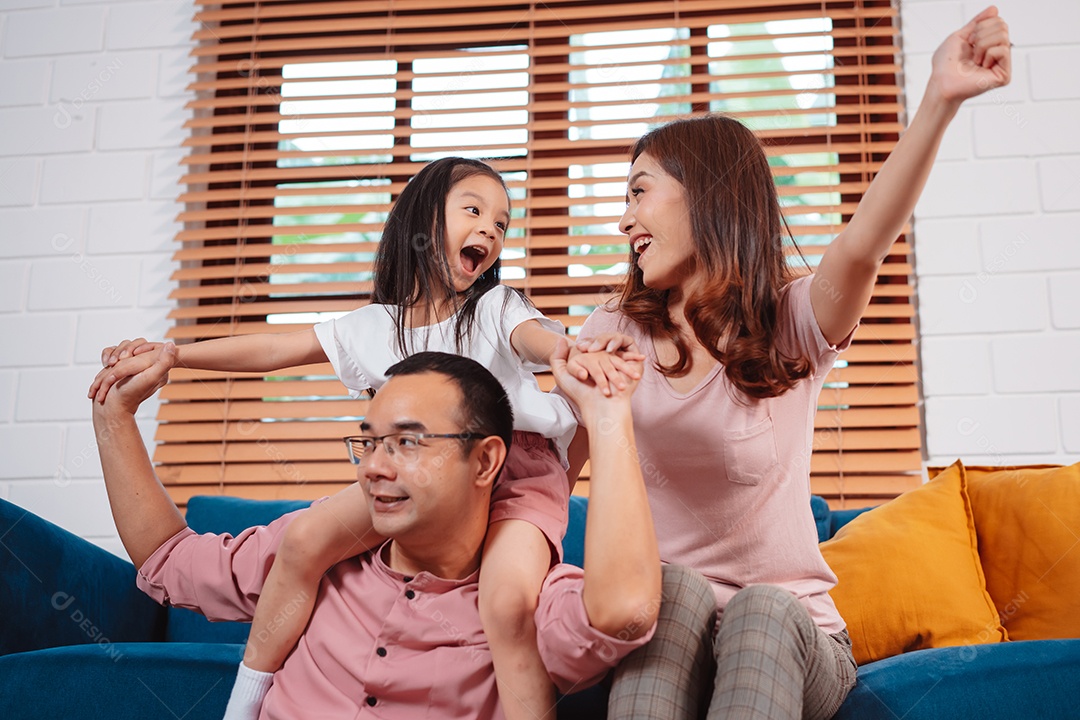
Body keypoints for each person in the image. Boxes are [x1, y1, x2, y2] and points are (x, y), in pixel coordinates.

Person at [561, 7, 1012, 719]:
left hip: (795, 639)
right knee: (671, 591)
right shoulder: (613, 333)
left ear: (706, 196)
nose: (624, 219)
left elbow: (862, 247)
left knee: (763, 608)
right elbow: (549, 479)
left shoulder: (791, 320)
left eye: (639, 191)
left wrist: (940, 100)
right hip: (670, 626)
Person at [87, 157, 641, 720]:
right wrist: (176, 355)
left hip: (521, 474)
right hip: (420, 476)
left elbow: (536, 340)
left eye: (501, 223)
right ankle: (243, 704)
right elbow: (276, 349)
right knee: (305, 541)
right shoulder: (376, 326)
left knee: (507, 602)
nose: (490, 230)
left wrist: (569, 353)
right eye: (473, 211)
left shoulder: (497, 307)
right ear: (422, 221)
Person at [90, 344, 661, 719]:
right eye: (369, 443)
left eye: (408, 442)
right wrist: (113, 415)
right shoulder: (316, 553)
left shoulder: (523, 594)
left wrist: (607, 416)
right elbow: (168, 561)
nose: (373, 468)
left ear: (486, 462)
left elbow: (625, 611)